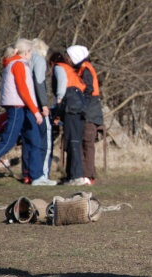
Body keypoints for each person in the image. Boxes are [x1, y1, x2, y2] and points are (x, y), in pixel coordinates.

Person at [0, 38, 57, 186]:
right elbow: (23, 90)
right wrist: (36, 112)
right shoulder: (18, 64)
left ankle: (37, 176)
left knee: (34, 140)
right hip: (17, 107)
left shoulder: (20, 64)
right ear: (27, 52)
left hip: (24, 108)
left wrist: (33, 110)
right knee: (8, 141)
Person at [66, 45, 104, 186]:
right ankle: (83, 174)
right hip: (88, 110)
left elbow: (88, 90)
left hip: (89, 112)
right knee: (83, 143)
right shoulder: (82, 69)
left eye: (69, 57)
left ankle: (88, 175)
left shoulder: (86, 70)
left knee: (87, 143)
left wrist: (79, 102)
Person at [50, 50, 87, 186]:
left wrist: (58, 100)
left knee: (72, 141)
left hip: (71, 106)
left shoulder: (59, 67)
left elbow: (61, 84)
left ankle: (76, 176)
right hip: (79, 106)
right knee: (74, 140)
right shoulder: (71, 70)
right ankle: (72, 175)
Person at [21, 38, 53, 184]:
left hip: (25, 103)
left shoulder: (24, 61)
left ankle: (27, 172)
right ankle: (42, 174)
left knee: (28, 139)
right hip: (36, 105)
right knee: (42, 140)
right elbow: (39, 82)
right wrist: (44, 104)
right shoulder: (39, 60)